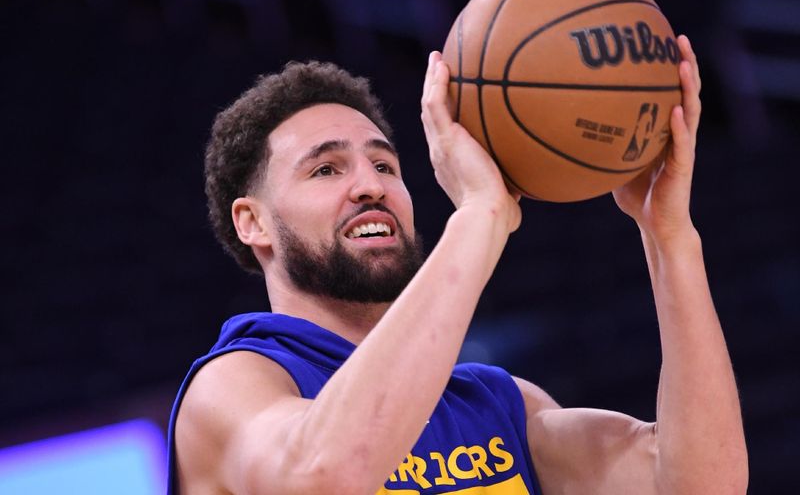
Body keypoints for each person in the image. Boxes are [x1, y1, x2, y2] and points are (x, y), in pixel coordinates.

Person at [167, 37, 748, 494]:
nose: (371, 186)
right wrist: (480, 215)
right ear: (253, 223)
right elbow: (325, 476)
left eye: (386, 166)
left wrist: (668, 234)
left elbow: (701, 483)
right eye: (326, 170)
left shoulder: (498, 407)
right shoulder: (233, 385)